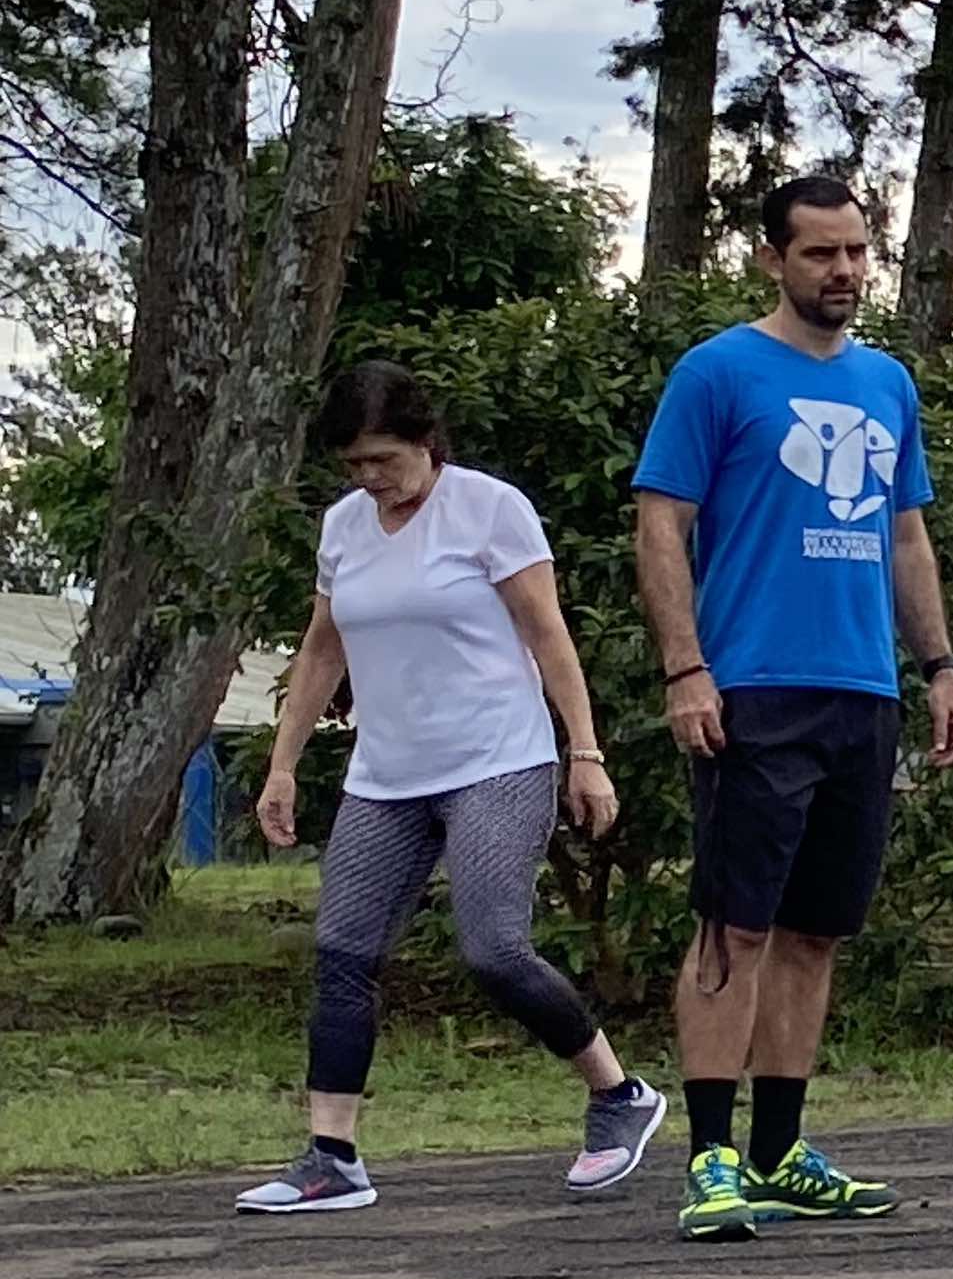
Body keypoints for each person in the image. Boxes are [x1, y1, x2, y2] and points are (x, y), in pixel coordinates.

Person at [632, 175, 953, 1243]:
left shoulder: (887, 383)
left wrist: (940, 667)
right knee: (733, 920)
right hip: (753, 685)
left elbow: (906, 535)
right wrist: (686, 668)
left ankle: (781, 1149)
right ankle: (711, 1155)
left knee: (817, 928)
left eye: (858, 251)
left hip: (860, 686)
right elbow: (659, 523)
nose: (844, 271)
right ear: (773, 258)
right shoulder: (718, 371)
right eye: (821, 252)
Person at [237, 362, 664, 1214]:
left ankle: (619, 1097)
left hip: (498, 760)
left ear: (426, 443)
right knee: (343, 954)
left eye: (385, 460)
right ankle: (333, 1157)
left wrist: (586, 753)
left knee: (492, 949)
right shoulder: (345, 527)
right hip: (387, 774)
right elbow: (323, 649)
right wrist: (282, 766)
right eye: (354, 464)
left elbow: (548, 634)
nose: (371, 479)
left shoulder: (489, 509)